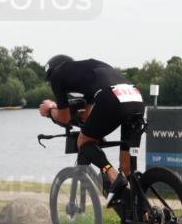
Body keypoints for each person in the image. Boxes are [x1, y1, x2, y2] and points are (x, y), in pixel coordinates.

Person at [38, 55, 144, 204]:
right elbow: (87, 117)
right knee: (127, 169)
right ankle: (143, 214)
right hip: (134, 97)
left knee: (83, 142)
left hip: (111, 99)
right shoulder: (87, 72)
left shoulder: (57, 74)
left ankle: (111, 174)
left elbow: (64, 118)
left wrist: (49, 110)